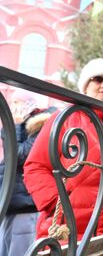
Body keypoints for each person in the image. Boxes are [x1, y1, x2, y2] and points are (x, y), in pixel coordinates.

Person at [24, 59, 103, 239]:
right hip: (66, 229)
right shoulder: (63, 119)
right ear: (85, 85)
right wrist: (55, 201)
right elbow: (35, 166)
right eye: (98, 79)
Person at [0, 90, 55, 255]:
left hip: (26, 205)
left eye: (20, 102)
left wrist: (14, 125)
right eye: (14, 103)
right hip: (10, 202)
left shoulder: (41, 123)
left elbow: (19, 155)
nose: (16, 107)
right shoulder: (20, 125)